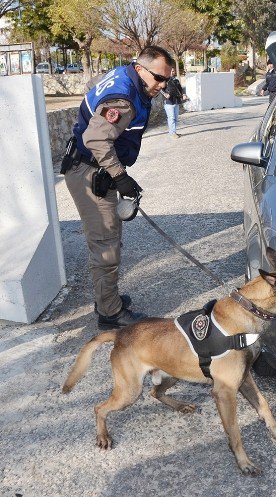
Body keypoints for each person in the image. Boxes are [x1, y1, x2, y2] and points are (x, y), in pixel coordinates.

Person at [62, 46, 175, 329]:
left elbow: (92, 88)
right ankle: (109, 313)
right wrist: (120, 176)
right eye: (159, 79)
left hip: (93, 168)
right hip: (89, 172)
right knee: (106, 245)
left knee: (109, 238)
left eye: (166, 81)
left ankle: (106, 298)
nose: (162, 86)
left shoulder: (122, 74)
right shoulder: (123, 98)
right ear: (140, 69)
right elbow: (96, 140)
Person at [161, 68, 188, 138]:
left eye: (174, 71)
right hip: (168, 102)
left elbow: (180, 89)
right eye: (172, 71)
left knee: (175, 118)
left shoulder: (176, 80)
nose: (173, 72)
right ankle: (172, 133)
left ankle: (173, 132)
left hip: (176, 101)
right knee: (171, 118)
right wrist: (165, 94)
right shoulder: (165, 80)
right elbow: (160, 88)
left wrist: (183, 95)